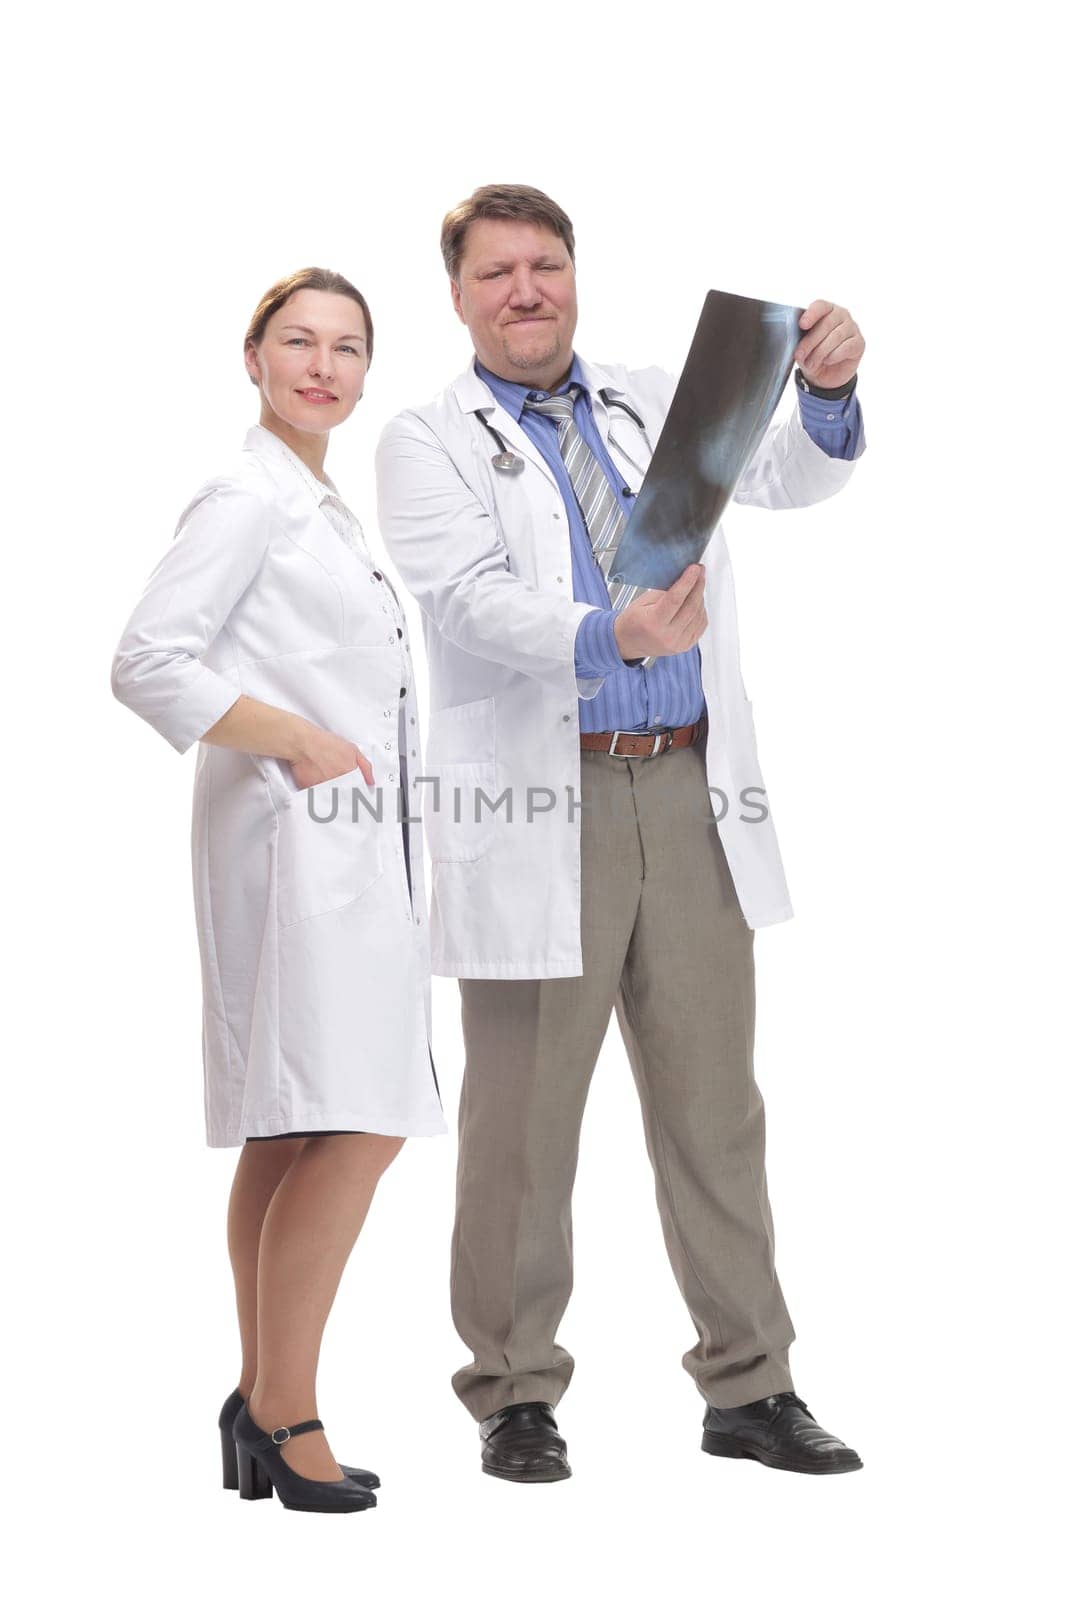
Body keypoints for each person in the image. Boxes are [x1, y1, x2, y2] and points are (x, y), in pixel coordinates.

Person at [375, 185, 866, 1480]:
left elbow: (789, 474)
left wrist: (821, 386)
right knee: (523, 1126)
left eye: (544, 264)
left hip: (689, 792)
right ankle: (512, 1389)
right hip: (545, 801)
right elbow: (468, 603)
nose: (524, 290)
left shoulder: (653, 396)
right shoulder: (425, 442)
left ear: (573, 275)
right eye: (496, 273)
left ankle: (748, 1387)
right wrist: (610, 635)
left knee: (716, 1107)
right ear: (458, 294)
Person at [111, 267, 444, 1514]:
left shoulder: (317, 502)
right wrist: (291, 737)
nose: (323, 365)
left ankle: (260, 1395)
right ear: (251, 358)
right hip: (294, 849)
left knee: (300, 1123)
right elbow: (145, 658)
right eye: (297, 342)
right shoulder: (247, 497)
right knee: (352, 1120)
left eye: (348, 347)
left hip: (340, 858)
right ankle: (283, 1407)